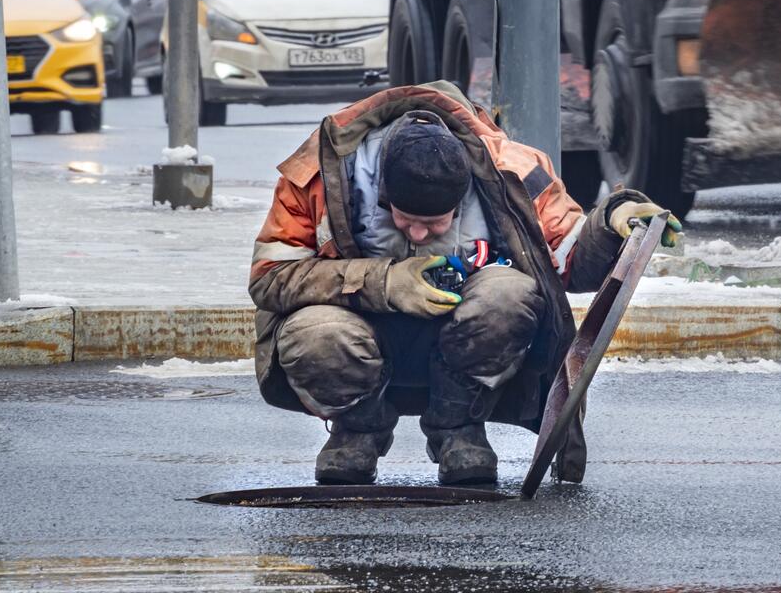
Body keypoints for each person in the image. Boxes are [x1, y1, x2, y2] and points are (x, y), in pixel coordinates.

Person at [249, 82, 681, 485]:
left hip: (466, 340)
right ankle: (355, 434)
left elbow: (569, 259)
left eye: (434, 223)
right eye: (405, 219)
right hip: (359, 330)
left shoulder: (512, 170)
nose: (418, 235)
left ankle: (459, 432)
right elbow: (270, 279)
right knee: (315, 333)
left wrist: (612, 220)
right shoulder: (320, 173)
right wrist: (385, 281)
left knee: (509, 294)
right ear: (382, 193)